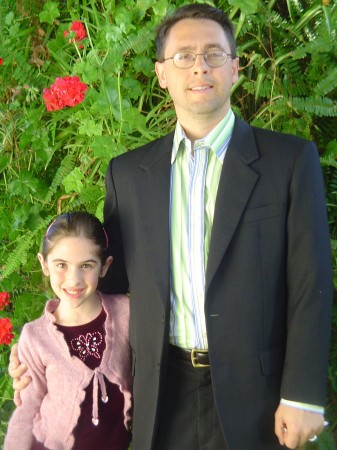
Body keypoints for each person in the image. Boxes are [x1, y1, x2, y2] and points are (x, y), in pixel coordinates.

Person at [9, 4, 333, 450]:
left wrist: (303, 393)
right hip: (159, 392)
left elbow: (310, 283)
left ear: (235, 68)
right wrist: (40, 346)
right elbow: (112, 288)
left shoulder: (290, 162)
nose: (199, 66)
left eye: (214, 54)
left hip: (256, 393)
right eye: (183, 55)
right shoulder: (128, 174)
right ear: (162, 73)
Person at [5, 211, 132, 450]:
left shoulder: (126, 314)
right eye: (61, 265)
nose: (73, 280)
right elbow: (27, 408)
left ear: (104, 267)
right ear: (44, 264)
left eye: (86, 265)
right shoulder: (35, 337)